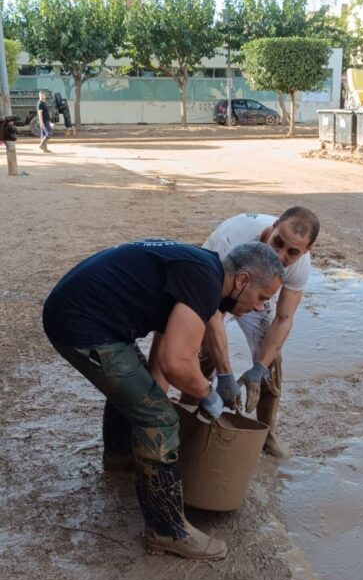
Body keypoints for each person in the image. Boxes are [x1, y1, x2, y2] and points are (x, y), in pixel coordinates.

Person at [43, 239, 284, 561]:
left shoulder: (204, 269)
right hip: (80, 322)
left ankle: (120, 456)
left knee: (140, 390)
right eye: (262, 297)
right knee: (159, 419)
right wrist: (206, 393)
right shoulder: (204, 281)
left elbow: (164, 345)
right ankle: (167, 530)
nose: (259, 307)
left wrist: (158, 391)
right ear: (242, 281)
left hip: (83, 311)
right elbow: (176, 362)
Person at [201, 206, 320, 459]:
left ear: (306, 251)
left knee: (272, 360)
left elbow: (284, 317)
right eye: (277, 242)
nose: (279, 255)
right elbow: (212, 314)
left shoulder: (299, 265)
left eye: (292, 252)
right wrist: (225, 373)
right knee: (205, 350)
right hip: (220, 285)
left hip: (258, 294)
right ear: (274, 225)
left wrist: (260, 368)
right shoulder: (231, 239)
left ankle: (266, 433)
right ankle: (195, 414)